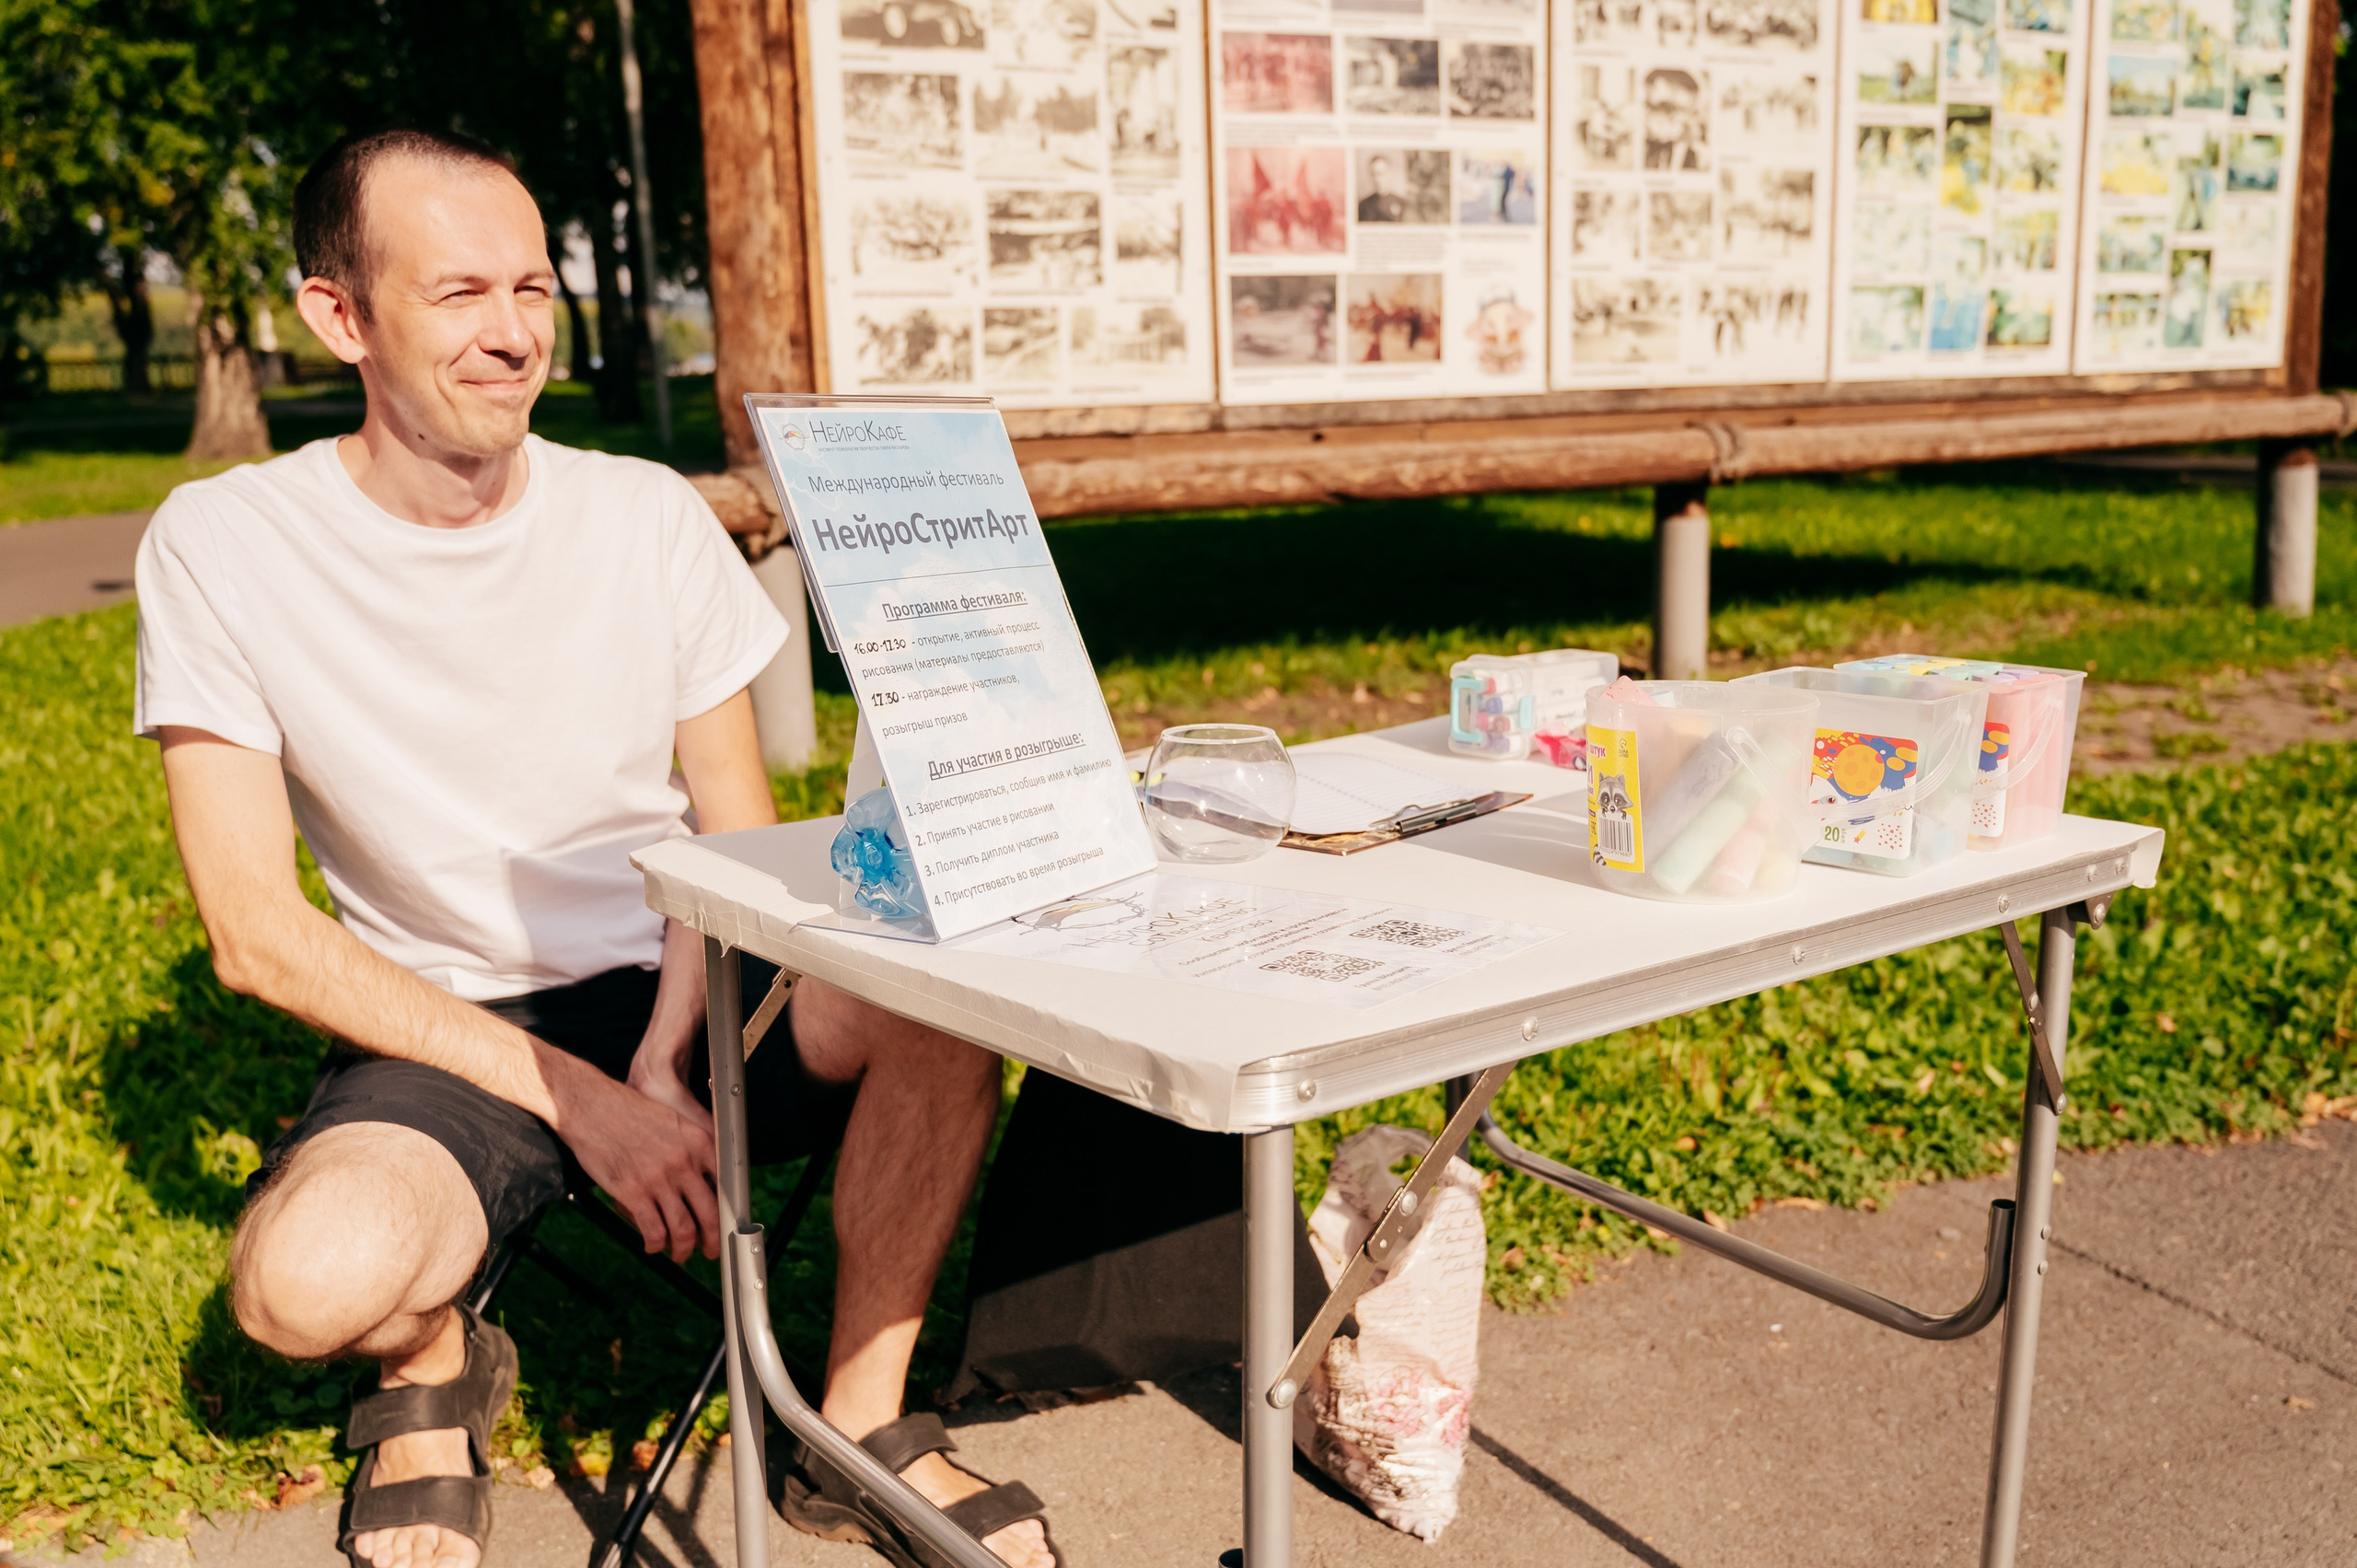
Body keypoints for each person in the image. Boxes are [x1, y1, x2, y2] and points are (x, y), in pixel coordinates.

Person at [135, 128, 1057, 1568]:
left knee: (938, 995)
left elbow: (737, 840)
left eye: (533, 290)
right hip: (450, 1024)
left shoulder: (644, 516)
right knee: (300, 1288)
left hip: (685, 975)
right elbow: (255, 932)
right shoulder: (227, 542)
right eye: (458, 297)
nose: (513, 337)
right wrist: (582, 1098)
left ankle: (857, 1424)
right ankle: (429, 1367)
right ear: (339, 316)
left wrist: (659, 1058)